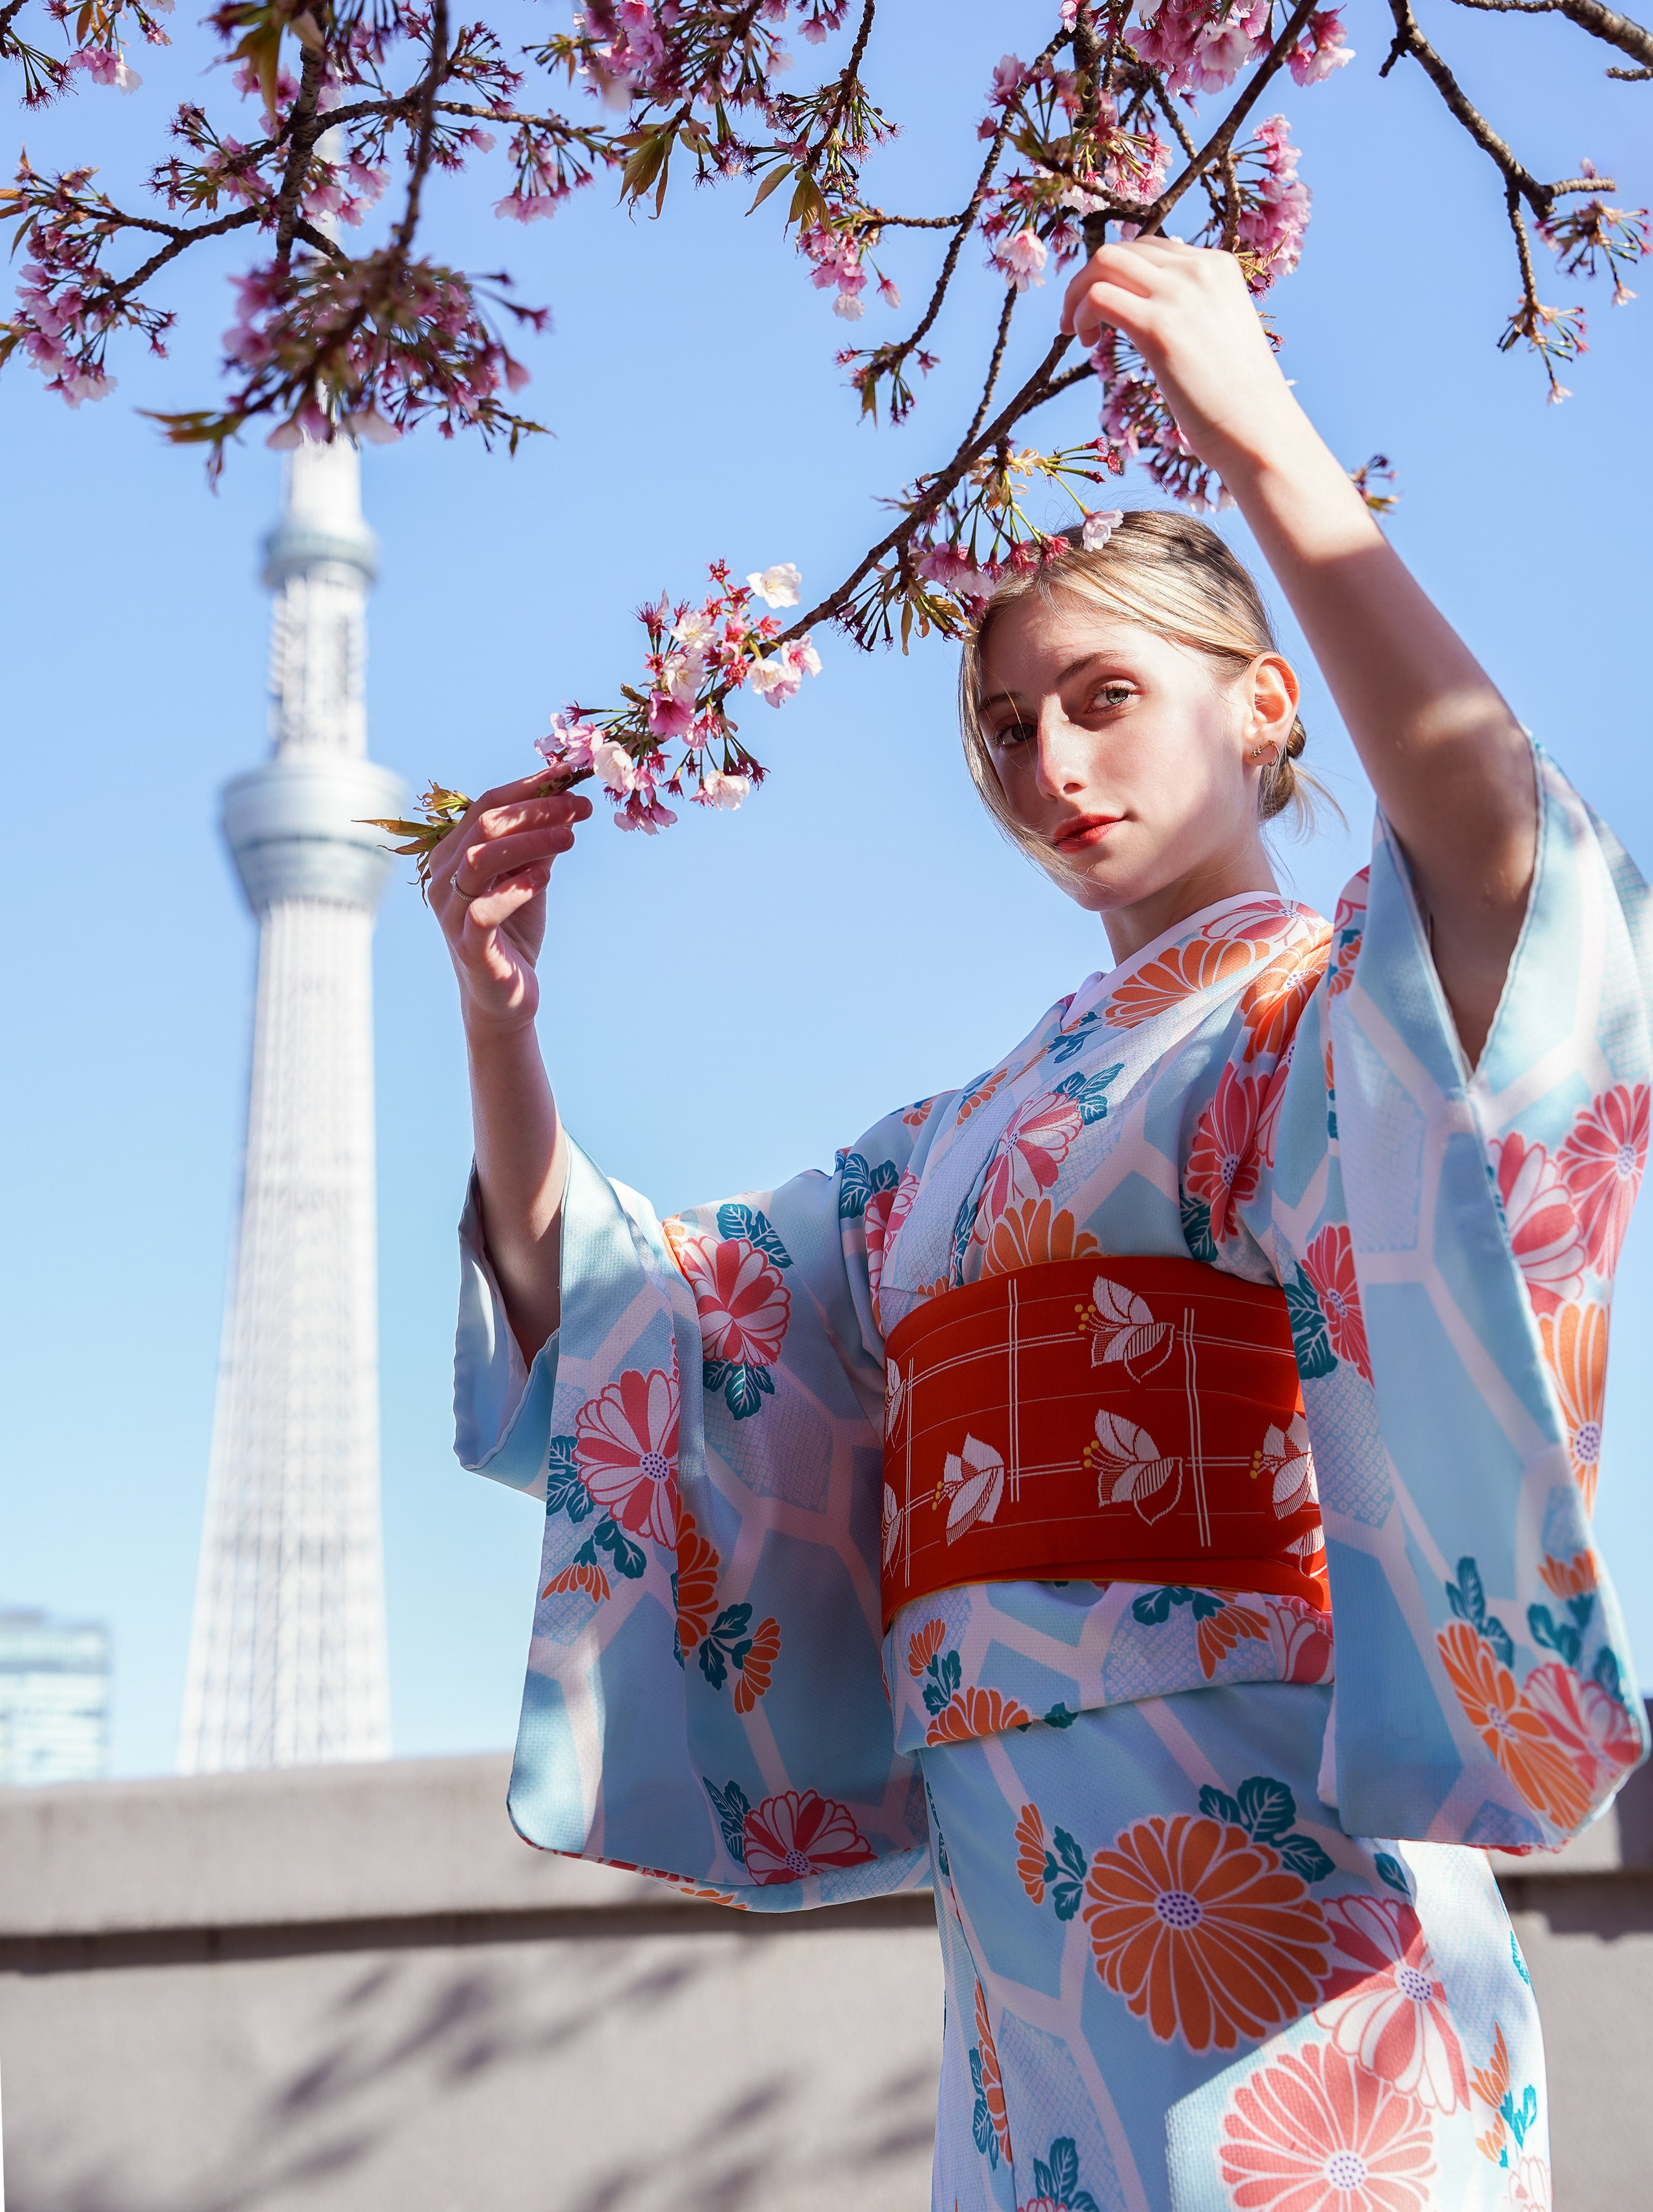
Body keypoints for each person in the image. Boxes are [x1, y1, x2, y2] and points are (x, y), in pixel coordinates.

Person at [429, 241, 1648, 2211]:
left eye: (1105, 696)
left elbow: (1501, 853)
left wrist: (1261, 435)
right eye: (1007, 725)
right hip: (1025, 1911)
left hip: (1278, 1855)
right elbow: (662, 1322)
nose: (1053, 763)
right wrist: (503, 1026)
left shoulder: (1312, 1008)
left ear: (1265, 710)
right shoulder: (952, 1138)